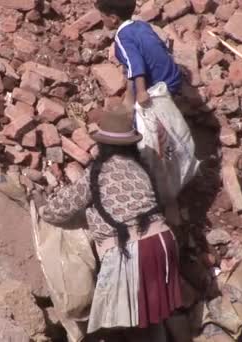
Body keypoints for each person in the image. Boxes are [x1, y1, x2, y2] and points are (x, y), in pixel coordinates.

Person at [36, 106, 182, 342]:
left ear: (103, 144)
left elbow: (61, 209)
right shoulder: (141, 168)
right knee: (152, 315)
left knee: (128, 322)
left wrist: (42, 208)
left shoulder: (97, 172)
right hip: (163, 244)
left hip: (134, 253)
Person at [95, 0, 197, 226]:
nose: (100, 20)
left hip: (155, 90)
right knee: (165, 127)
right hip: (170, 82)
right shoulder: (142, 26)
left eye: (102, 16)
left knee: (151, 140)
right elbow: (158, 50)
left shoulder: (121, 37)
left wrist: (140, 93)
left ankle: (160, 188)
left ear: (112, 18)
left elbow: (136, 66)